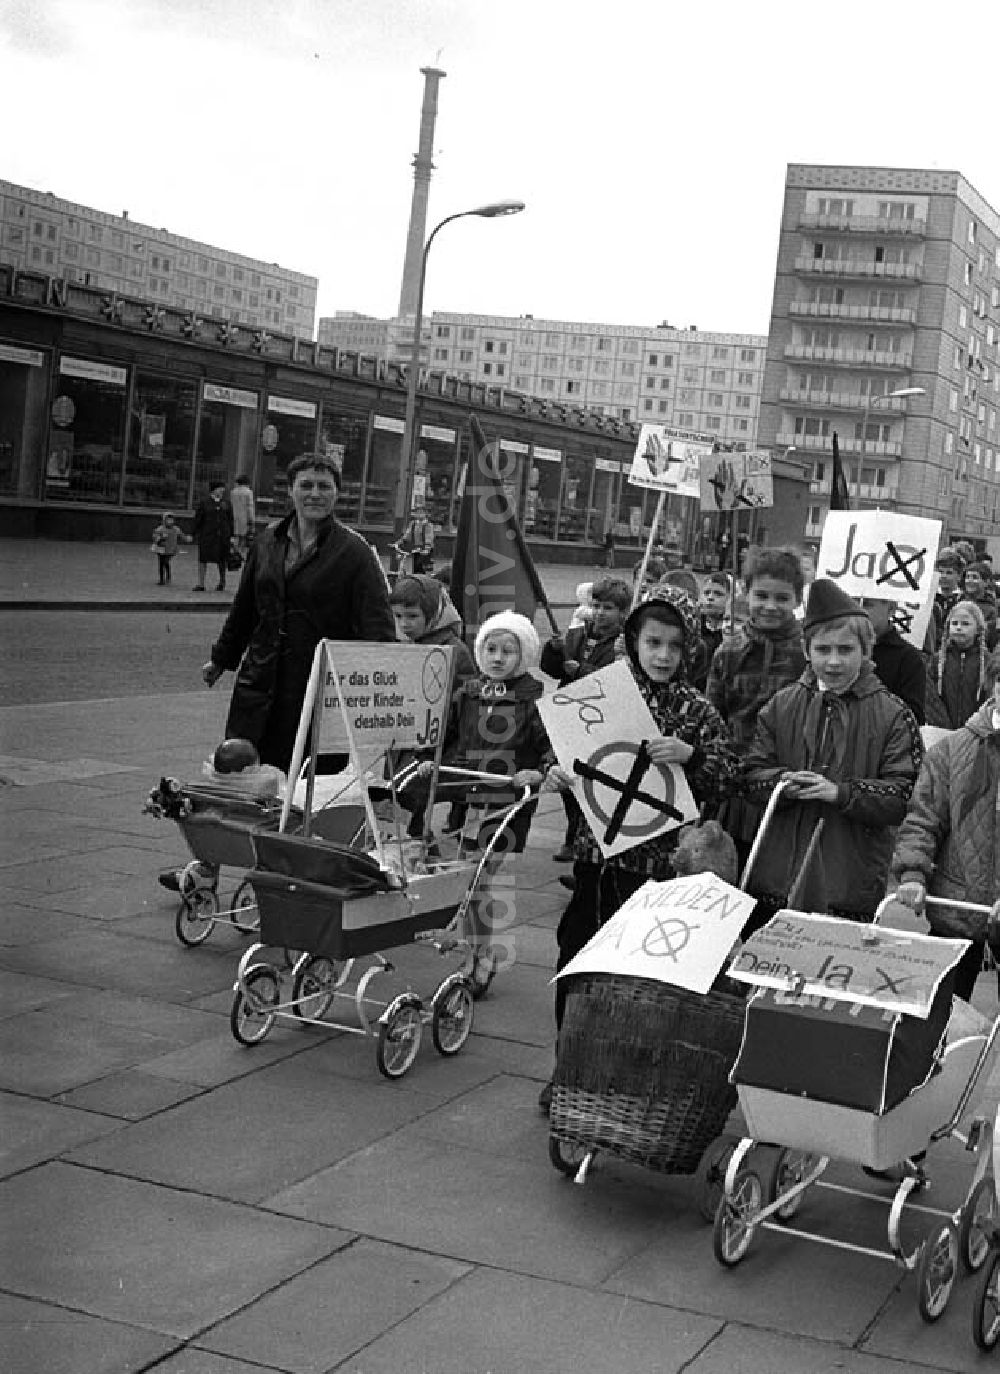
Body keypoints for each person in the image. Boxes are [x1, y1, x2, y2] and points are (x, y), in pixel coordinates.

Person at [540, 585, 739, 1112]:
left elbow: (726, 773)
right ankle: (568, 1069)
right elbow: (557, 750)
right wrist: (555, 773)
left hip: (655, 870)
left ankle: (625, 1077)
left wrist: (692, 756)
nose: (663, 655)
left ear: (689, 649)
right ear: (633, 639)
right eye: (653, 642)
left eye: (675, 646)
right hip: (595, 857)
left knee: (639, 979)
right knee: (578, 960)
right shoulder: (597, 691)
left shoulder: (695, 709)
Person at [741, 580, 923, 929]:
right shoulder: (782, 705)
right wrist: (781, 783)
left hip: (849, 883)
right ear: (806, 650)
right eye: (823, 650)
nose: (834, 661)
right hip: (778, 875)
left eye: (845, 649)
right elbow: (749, 777)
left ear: (866, 650)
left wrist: (840, 792)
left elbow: (905, 796)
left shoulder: (894, 715)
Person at [202, 453, 395, 773]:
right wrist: (222, 659)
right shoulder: (267, 542)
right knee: (246, 771)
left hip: (317, 690)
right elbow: (246, 608)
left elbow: (378, 629)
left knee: (305, 784)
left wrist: (374, 693)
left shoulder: (355, 553)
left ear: (337, 493)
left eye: (324, 486)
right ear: (290, 490)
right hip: (259, 681)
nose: (315, 494)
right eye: (306, 485)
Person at [410, 611, 553, 998]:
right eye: (490, 649)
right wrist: (429, 756)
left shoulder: (532, 701)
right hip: (466, 796)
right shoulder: (468, 693)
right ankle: (472, 946)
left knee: (479, 881)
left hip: (503, 802)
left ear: (523, 656)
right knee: (464, 879)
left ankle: (482, 955)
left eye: (508, 651)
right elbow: (444, 732)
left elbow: (549, 747)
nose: (497, 658)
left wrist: (538, 772)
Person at [890, 649, 1000, 1002]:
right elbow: (923, 819)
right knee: (938, 1020)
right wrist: (912, 874)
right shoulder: (952, 751)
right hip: (957, 909)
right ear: (993, 684)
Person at [706, 545, 807, 869]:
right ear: (746, 593)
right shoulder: (729, 652)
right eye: (761, 595)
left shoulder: (809, 654)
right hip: (733, 790)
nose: (770, 606)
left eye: (782, 598)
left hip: (786, 787)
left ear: (797, 600)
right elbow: (713, 719)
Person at [540, 577, 631, 861]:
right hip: (568, 713)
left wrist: (580, 669)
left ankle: (584, 840)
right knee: (567, 778)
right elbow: (553, 670)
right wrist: (554, 652)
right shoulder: (579, 635)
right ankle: (572, 833)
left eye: (609, 608)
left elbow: (611, 681)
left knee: (591, 780)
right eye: (597, 606)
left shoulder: (622, 643)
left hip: (596, 717)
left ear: (623, 612)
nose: (601, 613)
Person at [389, 573, 477, 839]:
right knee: (402, 799)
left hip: (437, 743)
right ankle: (416, 843)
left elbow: (460, 703)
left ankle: (419, 846)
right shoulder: (410, 645)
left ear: (433, 613)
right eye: (398, 616)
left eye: (413, 616)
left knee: (409, 795)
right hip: (410, 739)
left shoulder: (452, 650)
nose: (405, 624)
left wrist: (430, 746)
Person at [925, 600, 991, 729]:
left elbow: (990, 699)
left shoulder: (988, 662)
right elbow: (930, 698)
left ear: (978, 629)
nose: (959, 627)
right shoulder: (937, 660)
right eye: (954, 623)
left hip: (978, 732)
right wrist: (943, 725)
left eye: (965, 624)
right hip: (943, 731)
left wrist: (975, 727)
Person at [861, 597, 927, 725]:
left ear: (891, 609)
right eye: (852, 601)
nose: (858, 609)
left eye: (867, 604)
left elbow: (913, 717)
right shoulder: (839, 651)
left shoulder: (909, 658)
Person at [192, 481, 234, 593]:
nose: (222, 491)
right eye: (220, 488)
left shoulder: (226, 503)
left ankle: (222, 581)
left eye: (223, 489)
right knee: (203, 558)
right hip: (207, 536)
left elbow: (230, 520)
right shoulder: (204, 503)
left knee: (222, 559)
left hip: (222, 537)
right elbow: (198, 519)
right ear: (213, 490)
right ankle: (201, 583)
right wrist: (193, 533)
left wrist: (232, 535)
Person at [695, 571, 730, 689]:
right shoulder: (694, 628)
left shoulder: (732, 632)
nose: (710, 598)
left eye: (718, 594)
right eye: (706, 593)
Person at [933, 547, 966, 638]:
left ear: (959, 575)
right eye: (940, 572)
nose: (943, 576)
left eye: (949, 573)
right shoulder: (929, 598)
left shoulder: (964, 601)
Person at [961, 560, 998, 638]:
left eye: (975, 577)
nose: (970, 581)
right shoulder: (958, 602)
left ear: (986, 582)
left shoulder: (991, 609)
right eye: (967, 577)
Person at [151, 512, 189, 586]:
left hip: (171, 549)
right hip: (161, 549)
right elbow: (155, 536)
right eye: (168, 520)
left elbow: (182, 535)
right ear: (164, 520)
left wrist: (187, 538)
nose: (170, 521)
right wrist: (159, 539)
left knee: (166, 561)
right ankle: (162, 579)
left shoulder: (176, 529)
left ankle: (168, 576)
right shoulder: (160, 529)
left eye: (171, 520)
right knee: (161, 563)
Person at [400, 503, 436, 574]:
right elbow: (408, 534)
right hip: (416, 549)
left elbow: (429, 537)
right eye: (417, 512)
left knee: (424, 568)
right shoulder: (413, 524)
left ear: (425, 514)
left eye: (421, 512)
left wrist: (427, 548)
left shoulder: (428, 525)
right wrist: (400, 542)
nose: (419, 514)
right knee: (416, 567)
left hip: (425, 550)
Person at [230, 474, 256, 559]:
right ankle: (239, 554)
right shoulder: (248, 492)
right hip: (244, 517)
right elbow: (250, 506)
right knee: (243, 537)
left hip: (234, 516)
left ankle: (235, 552)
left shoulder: (233, 492)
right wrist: (252, 519)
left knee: (236, 536)